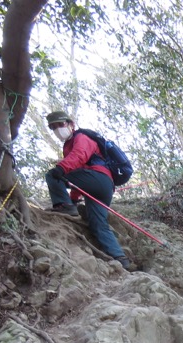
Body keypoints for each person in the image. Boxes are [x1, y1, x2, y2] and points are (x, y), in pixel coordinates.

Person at [44, 110, 136, 272]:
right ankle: (120, 258)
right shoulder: (70, 144)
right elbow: (78, 178)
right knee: (98, 223)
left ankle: (63, 206)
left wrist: (61, 168)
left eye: (61, 124)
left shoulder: (81, 137)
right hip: (103, 187)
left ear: (71, 124)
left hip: (98, 178)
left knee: (53, 175)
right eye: (53, 127)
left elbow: (79, 156)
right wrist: (73, 199)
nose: (58, 129)